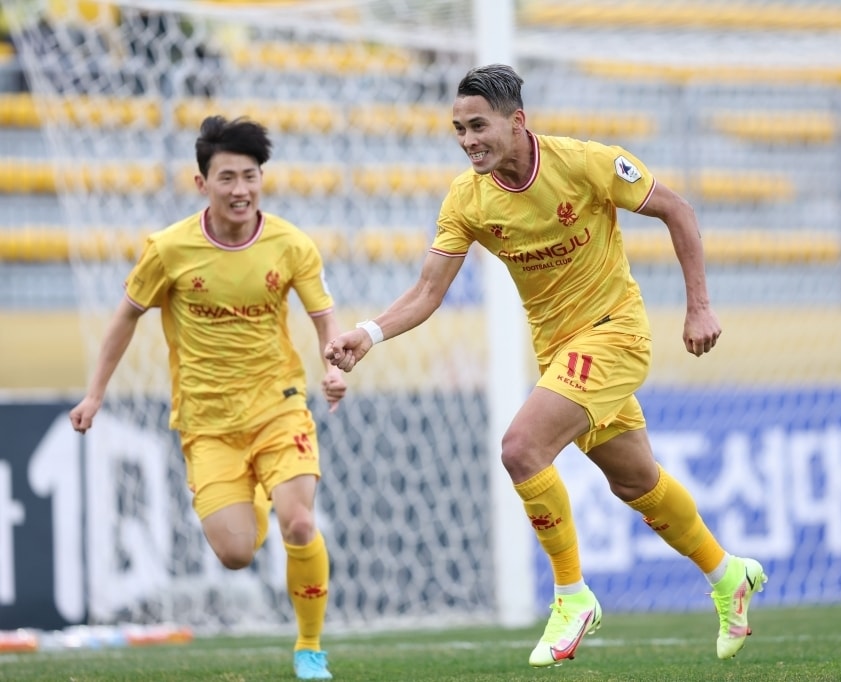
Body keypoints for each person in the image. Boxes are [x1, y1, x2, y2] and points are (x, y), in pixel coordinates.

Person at [324, 63, 767, 668]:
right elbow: (428, 292)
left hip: (615, 334)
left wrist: (699, 308)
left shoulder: (587, 163)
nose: (468, 140)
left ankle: (571, 596)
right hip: (561, 353)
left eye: (478, 125)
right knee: (636, 481)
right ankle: (727, 574)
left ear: (517, 121)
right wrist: (369, 333)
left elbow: (679, 210)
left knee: (520, 448)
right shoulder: (467, 199)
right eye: (458, 129)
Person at [70, 115, 344, 681]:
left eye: (250, 176)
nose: (240, 189)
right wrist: (94, 395)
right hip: (207, 423)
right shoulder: (168, 250)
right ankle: (259, 496)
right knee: (236, 553)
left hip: (279, 405)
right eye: (227, 178)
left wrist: (333, 366)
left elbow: (323, 315)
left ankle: (310, 646)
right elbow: (125, 317)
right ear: (202, 184)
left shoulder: (291, 245)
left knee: (299, 523)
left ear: (261, 179)